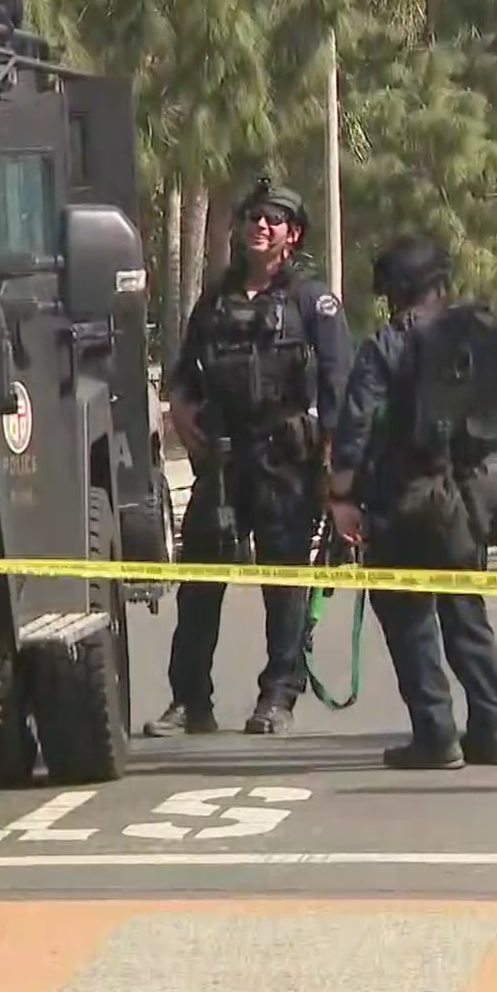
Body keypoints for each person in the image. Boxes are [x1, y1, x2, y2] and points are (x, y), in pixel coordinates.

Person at [144, 178, 353, 737]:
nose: (261, 225)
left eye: (274, 219)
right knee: (199, 585)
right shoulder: (214, 300)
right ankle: (190, 700)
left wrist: (336, 471)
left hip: (285, 463)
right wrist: (183, 413)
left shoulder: (313, 300)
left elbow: (340, 389)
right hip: (222, 462)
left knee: (284, 585)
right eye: (253, 217)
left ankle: (278, 695)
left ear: (292, 235)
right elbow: (185, 378)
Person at [326, 235, 497, 768]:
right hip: (468, 496)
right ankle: (492, 728)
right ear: (443, 284)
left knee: (408, 615)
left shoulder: (388, 344)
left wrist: (341, 497)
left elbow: (353, 429)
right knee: (466, 612)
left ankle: (436, 734)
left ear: (394, 294)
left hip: (403, 498)